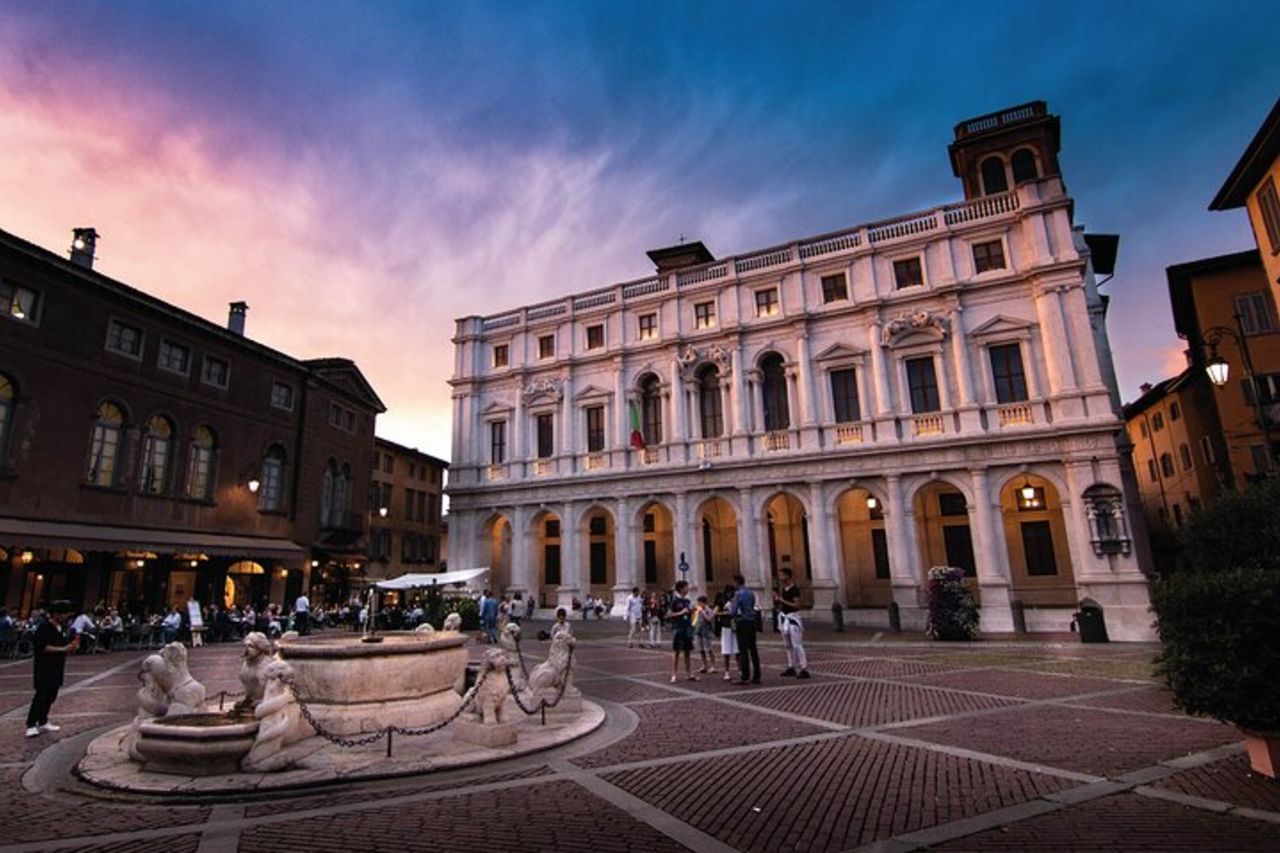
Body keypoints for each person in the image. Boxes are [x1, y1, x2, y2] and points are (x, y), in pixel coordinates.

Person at [26, 601, 79, 737]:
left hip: (57, 665)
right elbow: (42, 646)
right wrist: (63, 649)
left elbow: (63, 644)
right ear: (56, 614)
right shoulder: (44, 627)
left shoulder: (62, 627)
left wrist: (70, 647)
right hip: (44, 665)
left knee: (52, 694)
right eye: (63, 613)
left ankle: (43, 721)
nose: (65, 616)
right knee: (41, 694)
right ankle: (31, 724)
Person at [774, 567, 810, 679]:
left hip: (792, 619)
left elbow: (797, 605)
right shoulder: (783, 589)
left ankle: (804, 667)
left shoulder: (794, 589)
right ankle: (791, 666)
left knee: (797, 644)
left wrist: (782, 600)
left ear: (788, 576)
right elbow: (784, 604)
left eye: (782, 575)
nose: (780, 577)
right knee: (787, 645)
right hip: (784, 617)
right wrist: (779, 605)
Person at [732, 574, 761, 685]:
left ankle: (745, 676)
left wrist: (731, 609)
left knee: (743, 650)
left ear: (737, 582)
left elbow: (734, 610)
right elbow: (752, 606)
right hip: (751, 622)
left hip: (742, 622)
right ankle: (757, 676)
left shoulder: (738, 594)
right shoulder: (751, 593)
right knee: (753, 649)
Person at [667, 580, 696, 683]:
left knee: (687, 651)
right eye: (686, 587)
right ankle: (674, 674)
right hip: (678, 627)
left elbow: (690, 614)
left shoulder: (687, 601)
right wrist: (681, 612)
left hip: (687, 627)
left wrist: (692, 611)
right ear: (681, 589)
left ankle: (688, 673)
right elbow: (669, 614)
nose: (688, 589)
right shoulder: (674, 601)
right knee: (676, 651)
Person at [716, 585, 739, 681]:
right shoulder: (722, 600)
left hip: (734, 626)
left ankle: (739, 670)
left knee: (737, 650)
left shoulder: (736, 600)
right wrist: (724, 613)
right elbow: (716, 611)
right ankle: (727, 671)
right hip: (726, 626)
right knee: (726, 650)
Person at [692, 595, 717, 674]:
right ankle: (704, 665)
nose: (699, 604)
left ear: (704, 603)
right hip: (698, 630)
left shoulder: (708, 610)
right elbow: (694, 620)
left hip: (706, 632)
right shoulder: (697, 610)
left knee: (709, 649)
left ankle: (713, 666)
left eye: (700, 603)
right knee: (701, 649)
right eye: (698, 603)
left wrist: (702, 612)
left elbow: (709, 619)